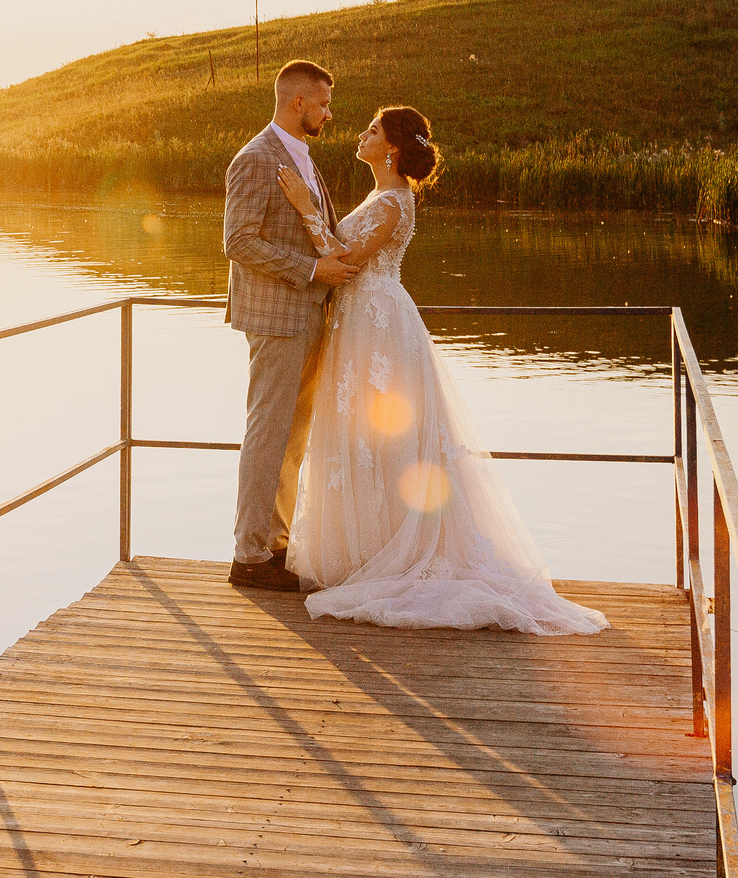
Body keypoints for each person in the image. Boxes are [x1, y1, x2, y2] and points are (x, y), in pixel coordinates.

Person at [276, 105, 608, 635]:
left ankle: (395, 553)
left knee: (386, 437)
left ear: (390, 147)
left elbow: (349, 260)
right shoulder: (378, 195)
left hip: (379, 323)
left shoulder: (392, 202)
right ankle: (365, 551)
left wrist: (303, 208)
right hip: (360, 322)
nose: (359, 135)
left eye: (371, 130)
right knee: (360, 434)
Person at [221, 60, 362, 590]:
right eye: (323, 103)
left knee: (292, 436)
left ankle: (274, 545)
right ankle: (249, 557)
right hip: (278, 318)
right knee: (269, 432)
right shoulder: (256, 158)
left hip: (308, 315)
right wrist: (311, 269)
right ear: (297, 102)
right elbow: (238, 242)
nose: (329, 112)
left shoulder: (301, 157)